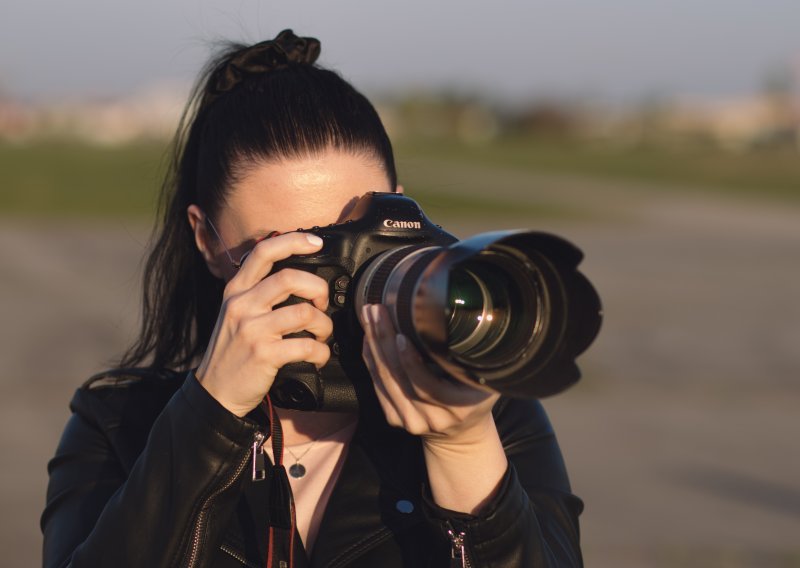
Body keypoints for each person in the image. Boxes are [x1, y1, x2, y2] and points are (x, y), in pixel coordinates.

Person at [41, 30, 584, 567]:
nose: (336, 275)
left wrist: (461, 448)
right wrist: (212, 415)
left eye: (362, 237)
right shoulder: (119, 425)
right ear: (208, 240)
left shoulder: (491, 413)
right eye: (295, 251)